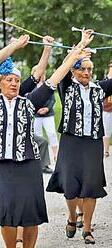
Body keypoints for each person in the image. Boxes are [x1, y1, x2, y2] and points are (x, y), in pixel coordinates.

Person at [46, 30, 112, 245]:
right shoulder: (66, 86)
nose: (87, 72)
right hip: (71, 141)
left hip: (93, 143)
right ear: (75, 72)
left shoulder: (99, 89)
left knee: (90, 186)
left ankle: (87, 228)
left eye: (89, 69)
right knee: (70, 186)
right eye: (83, 69)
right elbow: (64, 67)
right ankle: (71, 217)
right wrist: (80, 47)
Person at [0, 34, 83, 248]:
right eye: (9, 80)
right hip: (2, 165)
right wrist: (15, 45)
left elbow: (54, 78)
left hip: (28, 165)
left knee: (30, 215)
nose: (14, 84)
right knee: (6, 212)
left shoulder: (28, 103)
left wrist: (76, 50)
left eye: (17, 81)